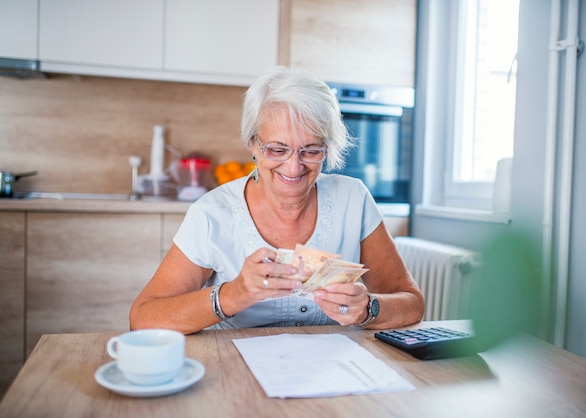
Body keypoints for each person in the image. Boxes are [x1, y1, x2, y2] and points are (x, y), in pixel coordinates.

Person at [130, 66, 424, 334]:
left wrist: (368, 308)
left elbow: (411, 303)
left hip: (332, 372)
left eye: (311, 150)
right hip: (235, 373)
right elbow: (143, 317)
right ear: (253, 144)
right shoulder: (212, 213)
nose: (294, 167)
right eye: (277, 150)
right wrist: (233, 294)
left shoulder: (353, 198)